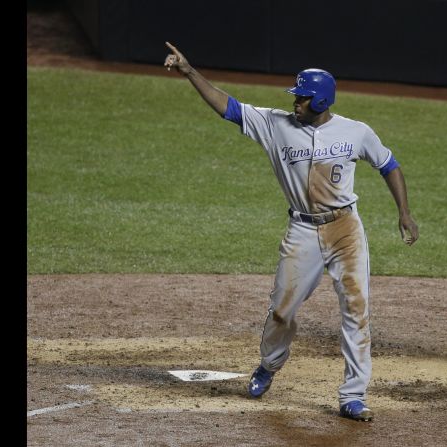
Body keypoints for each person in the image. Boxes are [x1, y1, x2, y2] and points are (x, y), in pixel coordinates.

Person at [164, 42, 419, 420]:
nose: (295, 102)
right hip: (302, 230)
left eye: (301, 98)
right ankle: (269, 365)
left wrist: (404, 213)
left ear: (320, 101)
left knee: (356, 309)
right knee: (282, 311)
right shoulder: (274, 124)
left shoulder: (356, 132)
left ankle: (353, 395)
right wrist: (189, 71)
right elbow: (228, 106)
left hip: (346, 229)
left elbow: (389, 164)